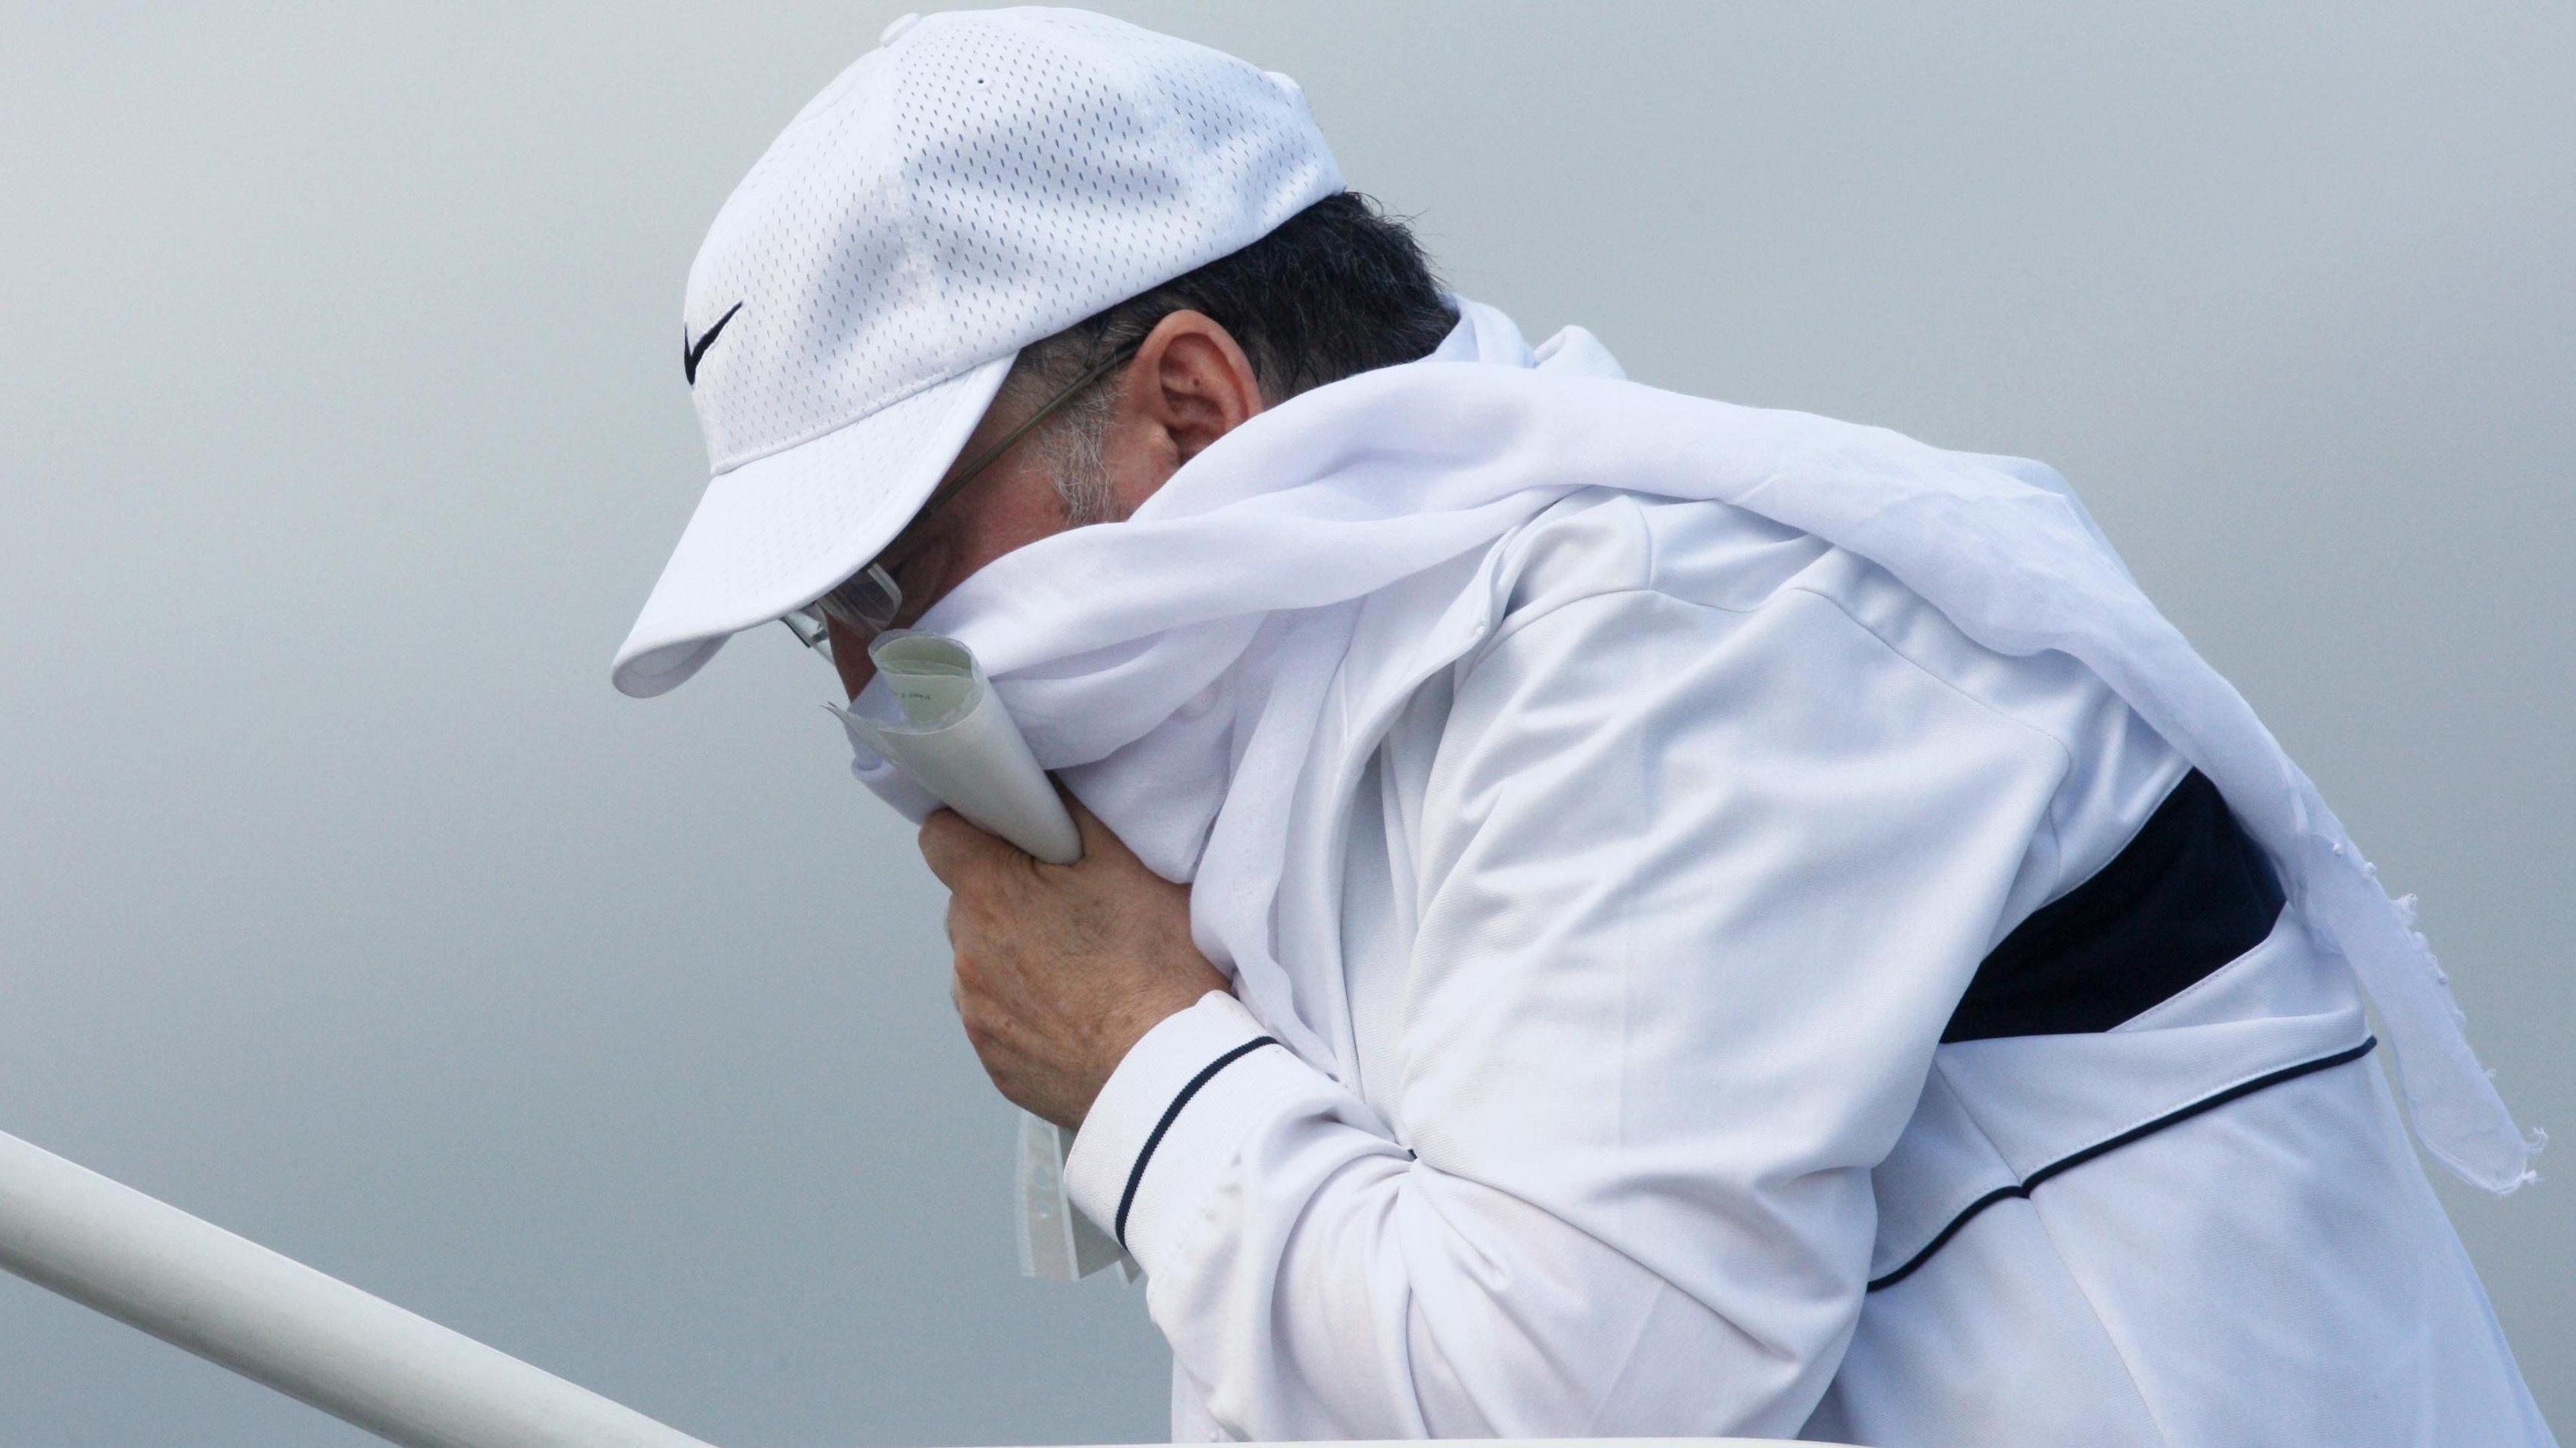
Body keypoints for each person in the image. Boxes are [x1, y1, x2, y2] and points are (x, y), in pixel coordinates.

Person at [612, 10, 2552, 1445]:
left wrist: (1141, 1067)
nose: (874, 687)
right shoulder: (1343, 782)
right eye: (822, 622)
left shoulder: (1653, 640)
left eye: (894, 573)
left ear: (1187, 411)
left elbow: (1598, 1408)